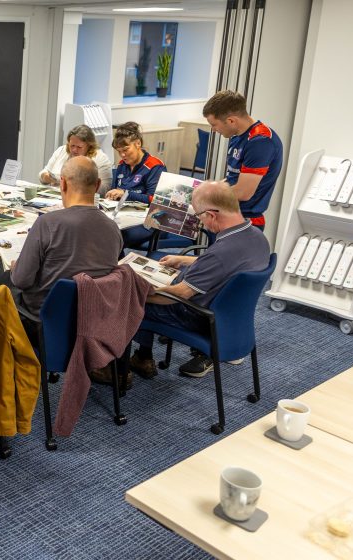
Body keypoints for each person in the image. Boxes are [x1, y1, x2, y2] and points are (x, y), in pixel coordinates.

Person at [129, 181, 270, 378]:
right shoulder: (256, 237)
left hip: (195, 314)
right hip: (232, 317)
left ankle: (138, 359)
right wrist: (183, 259)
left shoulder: (221, 252)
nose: (200, 222)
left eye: (199, 216)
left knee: (128, 302)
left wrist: (137, 293)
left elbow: (179, 295)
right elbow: (227, 264)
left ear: (211, 215)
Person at [12, 156, 123, 317]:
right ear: (98, 185)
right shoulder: (113, 228)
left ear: (62, 183)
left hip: (43, 314)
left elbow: (21, 281)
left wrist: (16, 268)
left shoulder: (46, 223)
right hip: (92, 315)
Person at [203, 89, 283, 230]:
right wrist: (211, 187)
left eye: (214, 125)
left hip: (244, 221)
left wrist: (206, 197)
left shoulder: (260, 141)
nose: (213, 130)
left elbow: (243, 192)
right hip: (227, 213)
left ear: (231, 121)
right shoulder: (237, 136)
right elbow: (233, 178)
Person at [105, 121, 167, 248]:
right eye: (119, 151)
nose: (122, 155)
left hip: (151, 222)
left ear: (138, 143)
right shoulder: (122, 165)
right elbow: (116, 191)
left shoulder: (155, 166)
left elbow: (155, 201)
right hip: (125, 216)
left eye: (125, 150)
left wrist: (126, 194)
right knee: (100, 230)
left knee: (114, 238)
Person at [39, 125, 113, 187]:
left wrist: (76, 184)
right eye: (72, 145)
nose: (74, 150)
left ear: (89, 146)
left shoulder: (100, 158)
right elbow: (44, 172)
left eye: (79, 147)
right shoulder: (62, 150)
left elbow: (105, 188)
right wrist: (45, 177)